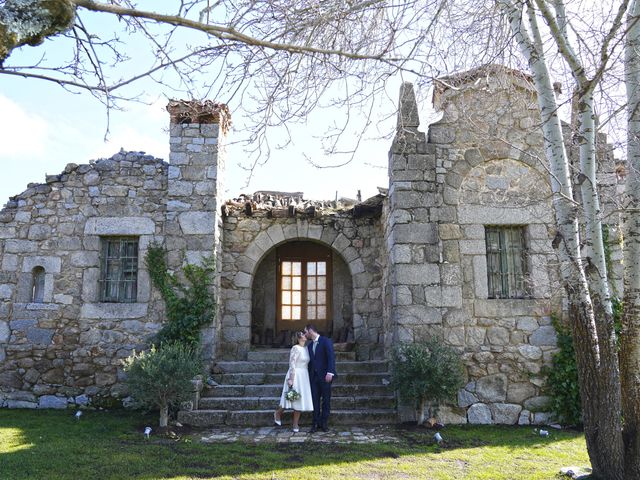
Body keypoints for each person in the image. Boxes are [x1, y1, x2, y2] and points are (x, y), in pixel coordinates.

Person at [274, 331, 313, 432]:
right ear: (299, 338)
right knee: (291, 397)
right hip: (295, 374)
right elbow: (292, 364)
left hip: (304, 375)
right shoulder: (295, 348)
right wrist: (291, 379)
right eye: (303, 335)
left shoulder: (306, 348)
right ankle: (278, 413)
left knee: (299, 399)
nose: (305, 335)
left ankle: (295, 423)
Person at [304, 324, 337, 433]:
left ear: (310, 331)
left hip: (325, 377)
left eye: (306, 332)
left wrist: (330, 372)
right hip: (314, 378)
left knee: (326, 401)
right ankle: (315, 424)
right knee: (314, 402)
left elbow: (331, 357)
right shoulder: (309, 346)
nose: (305, 334)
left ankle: (324, 424)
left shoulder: (325, 341)